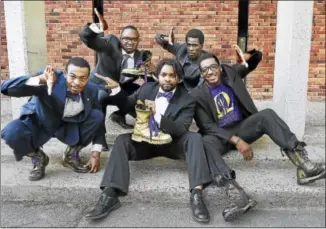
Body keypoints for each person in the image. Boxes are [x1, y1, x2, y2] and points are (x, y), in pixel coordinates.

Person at [190, 51, 326, 221]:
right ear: (201, 74)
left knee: (267, 114)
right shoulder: (197, 95)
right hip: (220, 137)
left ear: (220, 68)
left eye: (212, 67)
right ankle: (237, 195)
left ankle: (303, 165)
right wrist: (236, 141)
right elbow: (207, 127)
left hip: (242, 127)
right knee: (204, 141)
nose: (209, 72)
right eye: (204, 70)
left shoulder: (231, 72)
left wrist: (250, 55)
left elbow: (257, 58)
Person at [85, 58, 214, 223]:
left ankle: (197, 194)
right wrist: (118, 90)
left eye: (172, 76)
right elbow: (129, 106)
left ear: (178, 78)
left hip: (172, 144)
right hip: (145, 142)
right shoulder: (146, 88)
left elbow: (181, 128)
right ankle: (110, 194)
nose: (167, 79)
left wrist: (156, 115)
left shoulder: (187, 99)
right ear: (158, 76)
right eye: (164, 75)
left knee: (195, 138)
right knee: (121, 140)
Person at [1, 57, 105, 180]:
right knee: (11, 132)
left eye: (83, 78)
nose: (77, 83)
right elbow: (5, 88)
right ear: (65, 74)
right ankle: (38, 157)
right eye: (72, 76)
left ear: (88, 78)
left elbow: (99, 122)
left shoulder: (92, 90)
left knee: (97, 116)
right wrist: (41, 80)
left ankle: (71, 155)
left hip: (68, 125)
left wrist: (96, 154)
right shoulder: (51, 80)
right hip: (41, 121)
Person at [80, 8, 154, 132]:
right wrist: (97, 27)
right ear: (120, 39)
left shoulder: (139, 57)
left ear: (138, 41)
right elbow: (87, 38)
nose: (129, 42)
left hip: (119, 87)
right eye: (126, 39)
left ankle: (119, 115)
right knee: (101, 97)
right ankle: (99, 136)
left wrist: (151, 72)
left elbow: (150, 82)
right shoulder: (110, 44)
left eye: (134, 39)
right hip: (100, 86)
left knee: (141, 92)